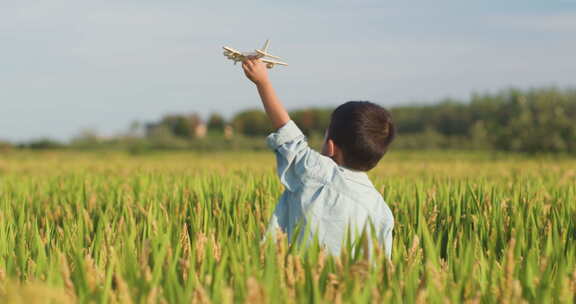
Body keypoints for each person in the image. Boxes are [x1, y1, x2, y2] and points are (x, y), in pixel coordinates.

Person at [241, 58, 395, 258]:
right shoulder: (381, 212)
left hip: (288, 278)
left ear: (331, 147)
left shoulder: (315, 172)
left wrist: (263, 82)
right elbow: (379, 267)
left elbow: (287, 133)